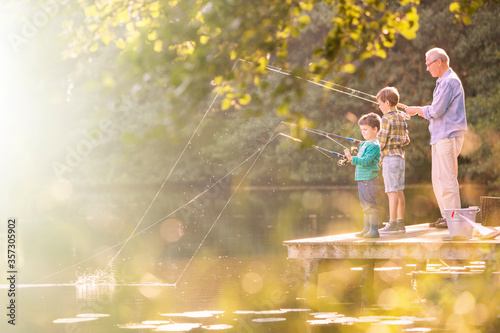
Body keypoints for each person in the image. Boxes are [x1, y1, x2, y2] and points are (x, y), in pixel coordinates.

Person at [405, 48, 467, 228]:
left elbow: (437, 110)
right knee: (438, 179)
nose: (427, 68)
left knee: (448, 178)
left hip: (448, 136)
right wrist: (419, 110)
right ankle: (447, 217)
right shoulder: (442, 82)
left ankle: (454, 219)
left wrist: (417, 110)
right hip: (439, 136)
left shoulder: (449, 82)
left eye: (428, 64)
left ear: (439, 62)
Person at [376, 87, 410, 233]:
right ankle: (400, 223)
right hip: (400, 158)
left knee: (391, 191)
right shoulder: (402, 117)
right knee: (399, 191)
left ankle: (392, 223)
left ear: (387, 103)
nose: (379, 107)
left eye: (380, 104)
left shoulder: (386, 118)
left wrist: (377, 151)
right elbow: (406, 140)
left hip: (390, 158)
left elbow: (381, 141)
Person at [344, 113, 382, 238]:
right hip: (361, 179)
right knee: (364, 206)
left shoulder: (374, 145)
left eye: (365, 129)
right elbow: (361, 157)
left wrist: (352, 159)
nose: (363, 132)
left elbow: (366, 161)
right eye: (362, 130)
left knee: (370, 205)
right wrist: (351, 157)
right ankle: (366, 229)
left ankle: (374, 230)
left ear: (375, 129)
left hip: (369, 180)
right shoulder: (365, 144)